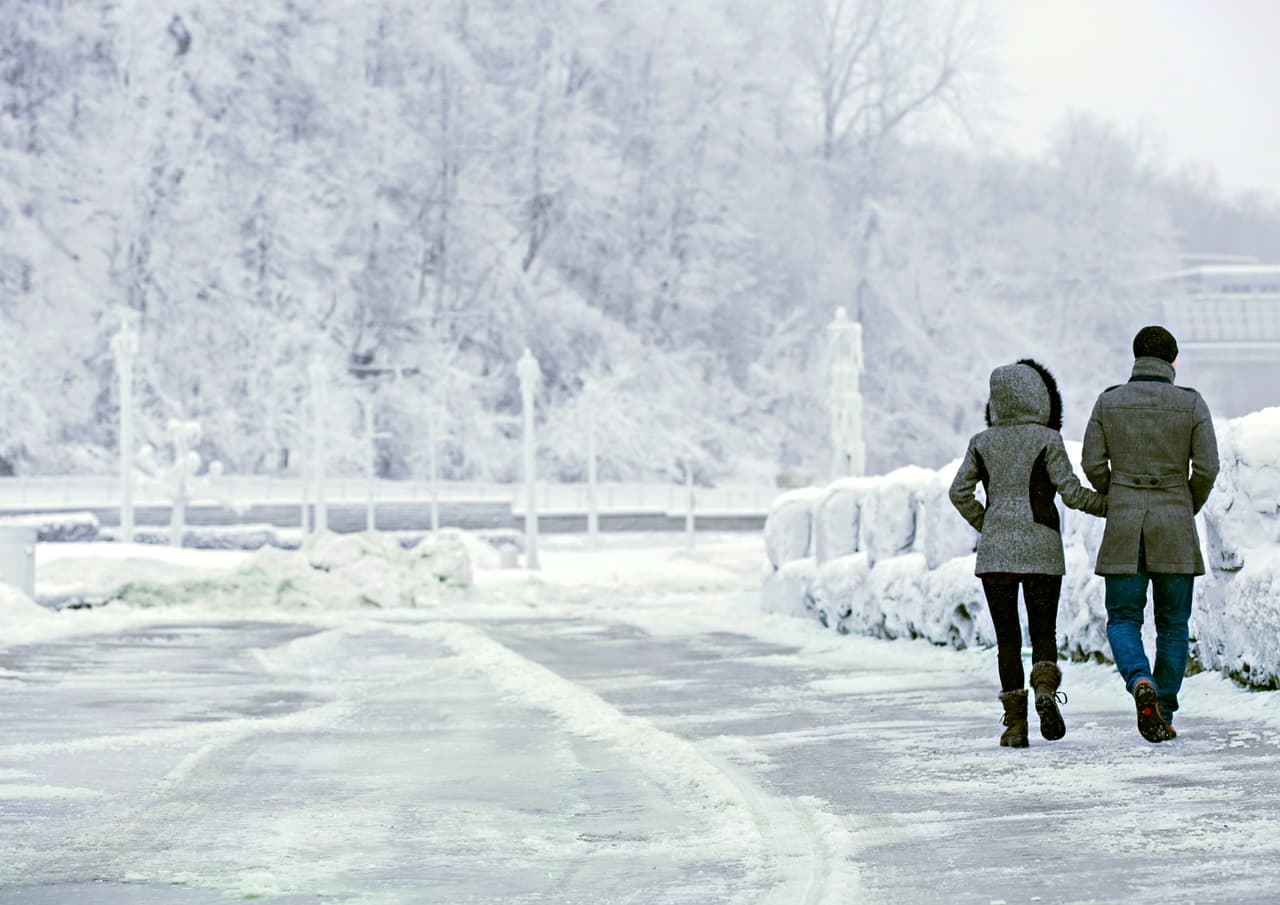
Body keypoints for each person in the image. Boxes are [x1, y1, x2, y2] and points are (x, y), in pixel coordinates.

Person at [950, 360, 1108, 748]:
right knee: (1042, 631)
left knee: (1007, 638)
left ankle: (1015, 726)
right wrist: (1107, 505)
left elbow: (958, 493)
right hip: (1042, 550)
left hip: (996, 555)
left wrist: (988, 524)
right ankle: (1044, 689)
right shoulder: (1047, 440)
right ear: (1041, 396)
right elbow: (1071, 493)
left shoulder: (981, 442)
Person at [1082, 326, 1219, 743]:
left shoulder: (1109, 401)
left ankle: (1139, 679)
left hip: (1125, 524)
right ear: (1172, 361)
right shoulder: (1191, 403)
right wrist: (1184, 504)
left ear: (1135, 357)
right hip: (1175, 520)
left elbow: (1091, 463)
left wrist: (1117, 495)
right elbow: (1208, 468)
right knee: (1174, 624)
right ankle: (1165, 706)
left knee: (1123, 617)